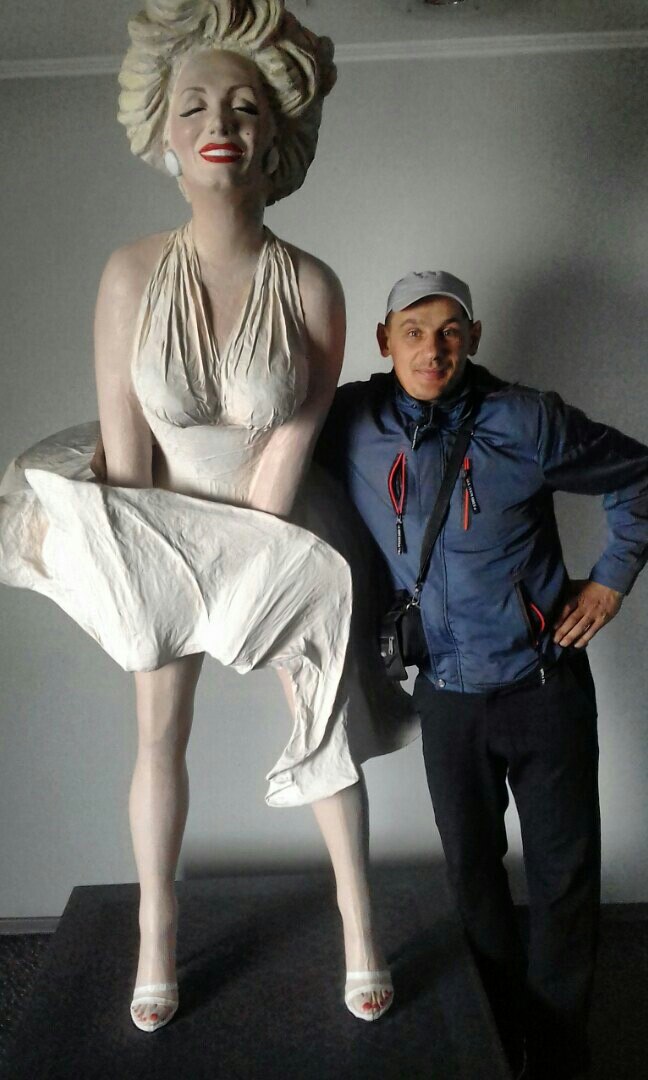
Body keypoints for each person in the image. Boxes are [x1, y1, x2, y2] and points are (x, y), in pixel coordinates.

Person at [0, 0, 415, 1033]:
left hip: (280, 529)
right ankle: (156, 934)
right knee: (158, 732)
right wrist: (150, 571)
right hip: (159, 520)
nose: (218, 122)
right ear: (164, 130)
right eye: (194, 104)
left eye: (243, 105)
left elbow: (288, 453)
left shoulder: (311, 285)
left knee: (324, 728)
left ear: (277, 132)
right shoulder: (131, 275)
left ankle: (360, 927)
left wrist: (245, 583)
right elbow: (126, 447)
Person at [316, 269, 648, 1079]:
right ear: (384, 340)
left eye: (450, 331)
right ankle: (497, 1037)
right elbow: (257, 440)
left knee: (564, 879)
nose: (433, 349)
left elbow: (638, 473)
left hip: (544, 687)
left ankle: (558, 1054)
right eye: (414, 330)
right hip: (447, 698)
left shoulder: (527, 419)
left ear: (474, 337)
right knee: (472, 878)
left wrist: (611, 580)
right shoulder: (350, 422)